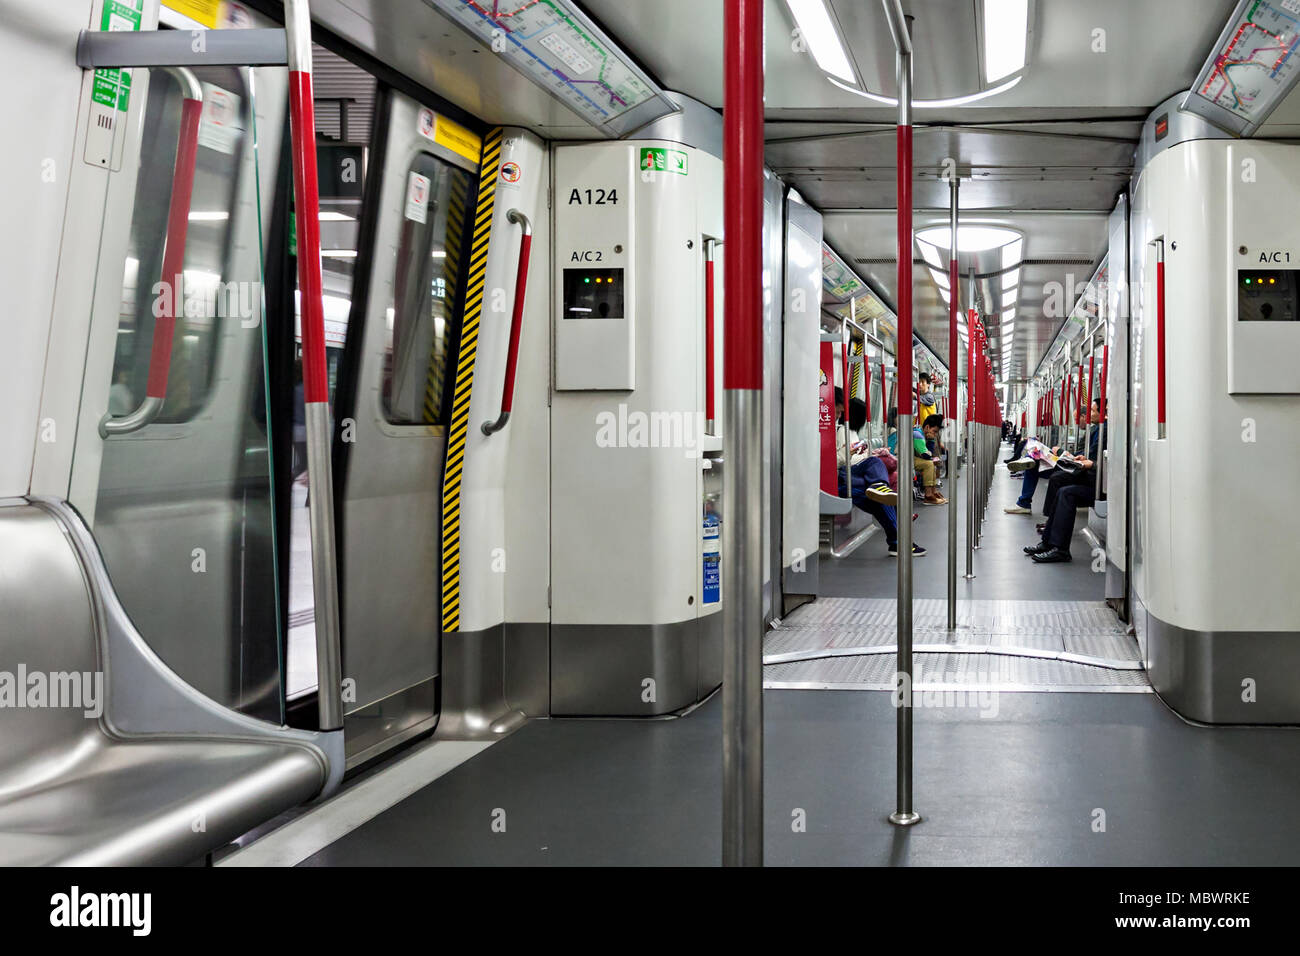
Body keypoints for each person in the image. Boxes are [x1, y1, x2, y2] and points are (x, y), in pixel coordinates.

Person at [835, 392, 926, 556]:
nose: (839, 415)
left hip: (850, 475)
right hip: (841, 478)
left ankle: (898, 541)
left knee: (881, 490)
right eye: (838, 411)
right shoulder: (841, 430)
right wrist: (860, 455)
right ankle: (898, 542)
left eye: (842, 412)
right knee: (879, 492)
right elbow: (840, 460)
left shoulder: (849, 431)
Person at [1024, 399, 1106, 562]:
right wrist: (1082, 458)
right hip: (1093, 477)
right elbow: (1090, 454)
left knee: (1064, 489)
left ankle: (1060, 549)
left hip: (1099, 483)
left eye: (1093, 411)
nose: (1090, 414)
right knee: (1060, 485)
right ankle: (1048, 542)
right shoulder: (1098, 430)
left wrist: (1091, 463)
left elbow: (1107, 461)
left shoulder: (1105, 430)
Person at [913, 414, 948, 505]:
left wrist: (931, 440)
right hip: (904, 459)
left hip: (913, 458)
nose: (935, 435)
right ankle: (928, 495)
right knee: (929, 464)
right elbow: (925, 455)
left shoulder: (924, 435)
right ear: (927, 427)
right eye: (934, 431)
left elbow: (929, 453)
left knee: (932, 463)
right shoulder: (917, 435)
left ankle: (933, 492)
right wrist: (931, 442)